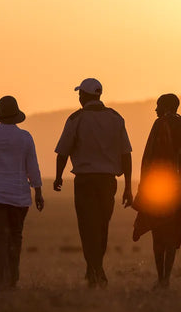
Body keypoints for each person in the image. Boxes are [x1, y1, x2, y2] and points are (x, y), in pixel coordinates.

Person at [53, 78, 133, 287]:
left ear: (84, 96)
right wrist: (128, 187)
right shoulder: (116, 118)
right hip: (108, 182)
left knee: (87, 227)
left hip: (85, 181)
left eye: (80, 94)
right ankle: (95, 270)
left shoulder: (76, 119)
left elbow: (62, 152)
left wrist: (59, 176)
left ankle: (95, 270)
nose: (79, 97)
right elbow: (126, 155)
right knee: (101, 227)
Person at [132, 93, 181, 288]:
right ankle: (166, 279)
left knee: (158, 231)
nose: (155, 110)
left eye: (158, 106)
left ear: (166, 107)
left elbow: (148, 158)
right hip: (178, 189)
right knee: (172, 232)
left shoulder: (159, 125)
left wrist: (143, 188)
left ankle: (161, 277)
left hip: (157, 189)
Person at [0, 95, 43, 290]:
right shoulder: (25, 138)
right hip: (19, 196)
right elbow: (33, 167)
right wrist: (38, 191)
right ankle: (12, 278)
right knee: (15, 237)